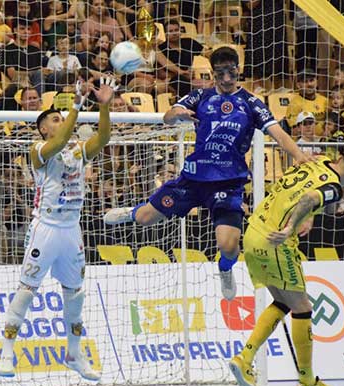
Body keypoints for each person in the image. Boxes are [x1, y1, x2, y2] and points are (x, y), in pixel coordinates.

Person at [103, 46, 313, 300]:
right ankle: (131, 213)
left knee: (229, 246)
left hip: (228, 183)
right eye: (221, 73)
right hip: (193, 179)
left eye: (231, 72)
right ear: (213, 73)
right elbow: (168, 118)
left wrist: (300, 156)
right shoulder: (200, 96)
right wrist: (175, 114)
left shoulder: (251, 103)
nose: (226, 79)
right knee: (146, 218)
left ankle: (225, 269)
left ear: (238, 71)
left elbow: (278, 134)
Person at [0, 76, 118, 381]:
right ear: (43, 129)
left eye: (61, 118)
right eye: (55, 118)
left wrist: (105, 106)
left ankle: (74, 354)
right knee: (26, 292)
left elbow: (102, 139)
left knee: (75, 296)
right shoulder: (37, 150)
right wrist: (75, 106)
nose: (60, 121)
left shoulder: (77, 151)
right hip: (45, 228)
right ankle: (7, 352)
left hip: (71, 230)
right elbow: (60, 140)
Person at [229, 147, 344, 386]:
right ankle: (306, 381)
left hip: (253, 231)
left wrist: (307, 217)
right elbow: (308, 198)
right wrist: (291, 226)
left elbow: (298, 192)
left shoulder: (318, 160)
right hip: (275, 239)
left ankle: (246, 358)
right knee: (302, 307)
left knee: (284, 302)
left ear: (340, 157)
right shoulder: (335, 188)